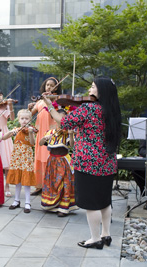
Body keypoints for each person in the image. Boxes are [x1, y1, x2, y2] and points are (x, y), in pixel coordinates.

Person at [42, 77, 121, 250]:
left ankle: (94, 238)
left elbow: (63, 122)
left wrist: (49, 104)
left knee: (91, 203)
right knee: (105, 201)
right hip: (107, 162)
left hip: (88, 163)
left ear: (101, 90)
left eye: (93, 87)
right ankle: (106, 235)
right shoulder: (113, 110)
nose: (89, 90)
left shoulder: (89, 108)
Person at [39, 109, 77, 217]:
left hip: (63, 160)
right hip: (52, 160)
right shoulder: (51, 132)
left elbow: (72, 145)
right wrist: (44, 138)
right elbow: (41, 143)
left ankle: (64, 208)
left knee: (64, 182)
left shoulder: (66, 133)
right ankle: (53, 205)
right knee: (52, 182)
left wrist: (70, 134)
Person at [28, 77, 60, 196]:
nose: (49, 87)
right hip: (40, 133)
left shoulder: (57, 101)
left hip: (51, 134)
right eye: (47, 85)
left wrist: (51, 103)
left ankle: (50, 186)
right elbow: (30, 115)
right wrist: (30, 108)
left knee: (49, 159)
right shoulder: (40, 101)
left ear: (56, 87)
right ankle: (39, 186)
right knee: (39, 159)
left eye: (52, 85)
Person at [2, 109, 36, 213]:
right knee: (18, 180)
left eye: (26, 119)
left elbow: (32, 143)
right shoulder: (17, 129)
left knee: (26, 180)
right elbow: (4, 137)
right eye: (22, 118)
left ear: (30, 119)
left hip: (26, 156)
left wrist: (30, 132)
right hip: (17, 157)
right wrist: (11, 132)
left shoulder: (30, 130)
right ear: (19, 119)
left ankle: (27, 202)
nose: (24, 121)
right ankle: (16, 200)